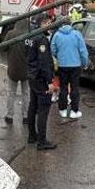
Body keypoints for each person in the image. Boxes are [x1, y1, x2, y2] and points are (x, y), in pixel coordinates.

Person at [26, 13, 57, 150]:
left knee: (33, 106)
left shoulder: (30, 36)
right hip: (40, 78)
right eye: (48, 23)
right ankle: (42, 141)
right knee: (43, 109)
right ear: (42, 23)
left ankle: (32, 135)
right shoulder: (42, 39)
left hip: (32, 76)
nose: (50, 26)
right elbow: (44, 62)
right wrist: (49, 81)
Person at [51, 20, 89, 119]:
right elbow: (83, 51)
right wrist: (85, 63)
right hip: (75, 65)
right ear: (70, 24)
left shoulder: (57, 35)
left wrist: (59, 57)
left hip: (62, 65)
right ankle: (74, 111)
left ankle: (62, 110)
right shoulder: (77, 34)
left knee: (63, 87)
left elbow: (53, 50)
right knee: (74, 88)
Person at [3, 19, 30, 124]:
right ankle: (26, 116)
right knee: (26, 93)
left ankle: (10, 115)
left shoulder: (10, 34)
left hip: (13, 68)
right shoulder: (30, 34)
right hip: (26, 69)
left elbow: (3, 48)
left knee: (11, 93)